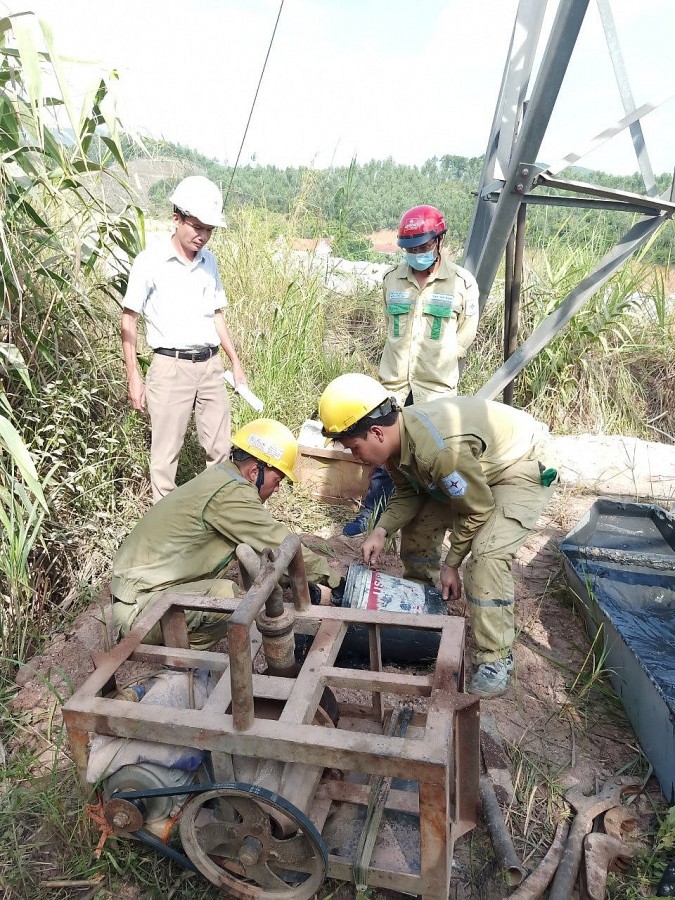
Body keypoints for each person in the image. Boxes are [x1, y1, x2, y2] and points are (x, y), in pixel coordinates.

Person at [319, 374, 558, 698]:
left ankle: (495, 658)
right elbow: (409, 493)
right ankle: (424, 604)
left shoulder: (438, 452)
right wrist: (380, 530)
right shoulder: (397, 444)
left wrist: (452, 563)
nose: (355, 457)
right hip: (473, 470)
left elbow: (476, 508)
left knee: (486, 556)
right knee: (418, 525)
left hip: (519, 464)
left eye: (355, 448)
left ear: (376, 432)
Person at [111, 419, 341, 650]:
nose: (277, 488)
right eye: (277, 480)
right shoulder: (231, 495)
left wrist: (290, 579)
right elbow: (279, 543)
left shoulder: (222, 477)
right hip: (139, 610)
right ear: (254, 471)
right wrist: (336, 581)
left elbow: (261, 548)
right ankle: (185, 667)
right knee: (226, 598)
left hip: (141, 594)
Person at [343, 205, 479, 536]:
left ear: (439, 240)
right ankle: (373, 515)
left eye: (423, 247)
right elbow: (391, 325)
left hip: (435, 390)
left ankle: (431, 525)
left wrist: (443, 357)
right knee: (382, 456)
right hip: (394, 386)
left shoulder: (461, 282)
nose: (416, 254)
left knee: (435, 460)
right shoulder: (392, 280)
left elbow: (466, 332)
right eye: (410, 249)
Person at [121, 175, 246, 502]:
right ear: (176, 219)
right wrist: (133, 376)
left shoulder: (210, 262)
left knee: (219, 450)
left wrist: (235, 361)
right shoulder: (150, 261)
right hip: (170, 366)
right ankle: (164, 531)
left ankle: (211, 517)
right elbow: (128, 319)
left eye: (209, 229)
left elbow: (218, 314)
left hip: (210, 366)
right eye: (197, 226)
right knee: (165, 456)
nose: (202, 236)